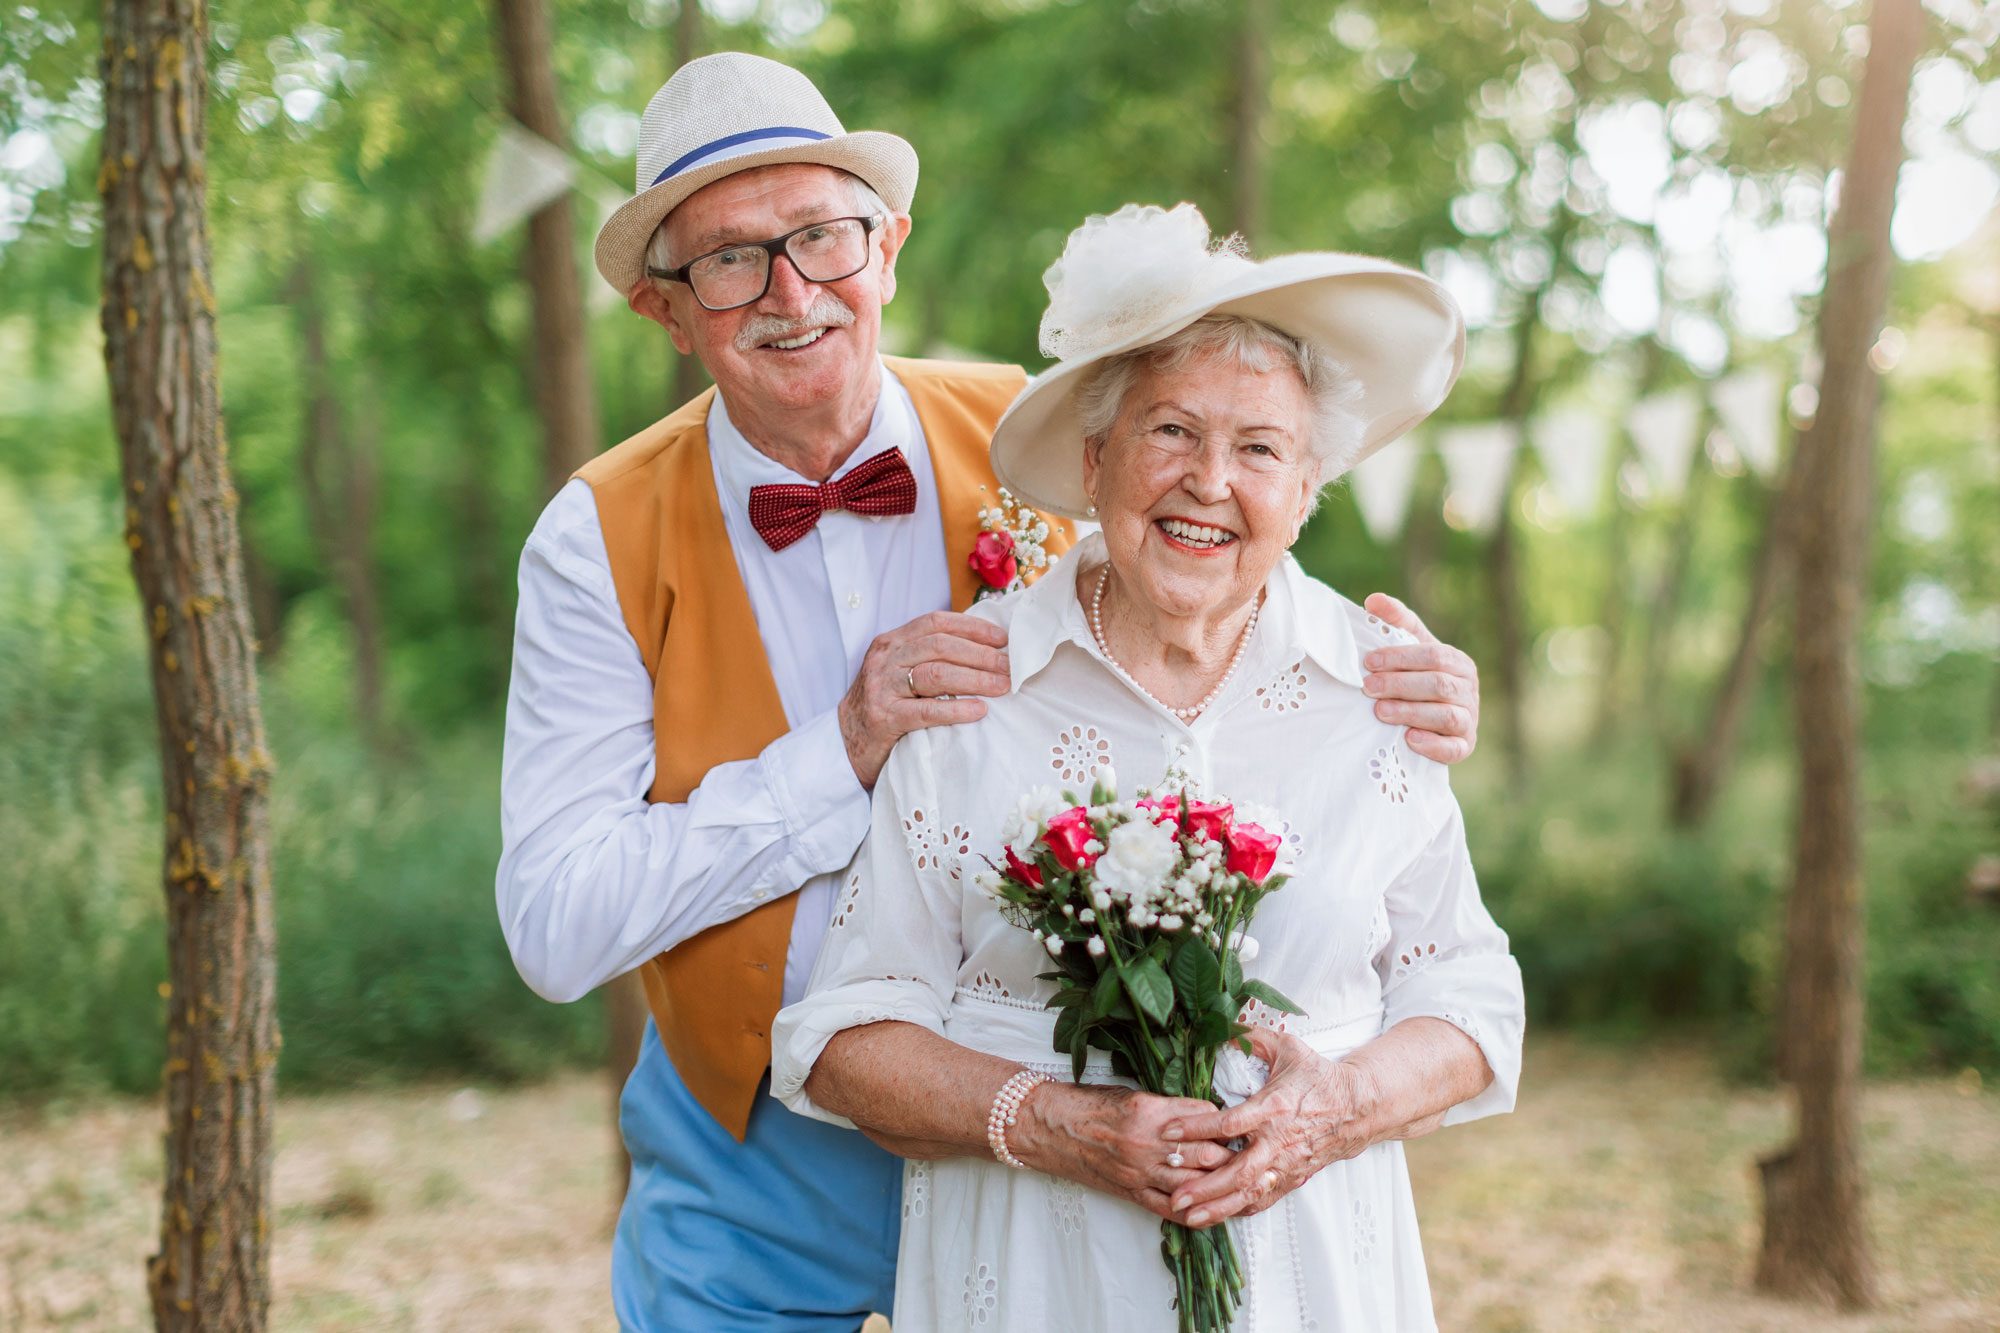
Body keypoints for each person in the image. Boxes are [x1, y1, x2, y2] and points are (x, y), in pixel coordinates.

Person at [497, 55, 1486, 1331]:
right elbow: (556, 924)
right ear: (663, 310)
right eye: (731, 261)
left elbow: (1223, 546)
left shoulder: (1043, 433)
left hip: (1072, 1110)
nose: (791, 291)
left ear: (889, 245)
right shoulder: (592, 537)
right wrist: (843, 746)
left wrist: (1406, 679)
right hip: (760, 1157)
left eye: (821, 236)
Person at [772, 204, 1524, 1332]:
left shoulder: (1381, 692)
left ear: (1307, 486)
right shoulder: (972, 693)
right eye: (1170, 431)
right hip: (1032, 1283)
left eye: (1259, 448)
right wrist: (1054, 1121)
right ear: (1093, 459)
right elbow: (842, 1041)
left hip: (1312, 1285)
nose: (1209, 480)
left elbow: (1467, 998)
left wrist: (1335, 1108)